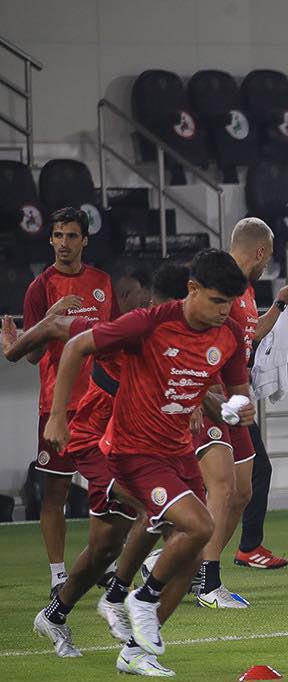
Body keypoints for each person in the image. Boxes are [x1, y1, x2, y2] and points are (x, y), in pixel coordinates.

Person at [43, 249, 255, 669]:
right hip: (132, 451)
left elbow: (236, 392)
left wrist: (238, 407)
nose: (223, 311)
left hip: (178, 451)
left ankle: (135, 650)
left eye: (229, 303)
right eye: (216, 301)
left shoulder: (228, 333)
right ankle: (137, 595)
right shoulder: (149, 323)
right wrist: (56, 416)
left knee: (190, 553)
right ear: (192, 289)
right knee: (199, 525)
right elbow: (73, 345)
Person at [8, 264, 187, 673]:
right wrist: (12, 349)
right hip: (93, 441)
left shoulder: (179, 339)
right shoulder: (130, 329)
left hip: (130, 444)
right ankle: (121, 602)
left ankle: (54, 615)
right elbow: (57, 330)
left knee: (105, 544)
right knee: (161, 512)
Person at [21, 206, 115, 593]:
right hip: (56, 408)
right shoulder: (40, 288)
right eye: (58, 235)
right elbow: (29, 354)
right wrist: (51, 317)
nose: (63, 243)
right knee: (54, 493)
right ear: (50, 239)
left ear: (85, 240)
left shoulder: (102, 283)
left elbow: (116, 336)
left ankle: (103, 562)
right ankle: (59, 573)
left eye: (71, 235)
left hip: (99, 404)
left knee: (111, 488)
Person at [228, 218, 288, 573]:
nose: (268, 263)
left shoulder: (246, 289)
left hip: (234, 399)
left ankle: (245, 548)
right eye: (268, 257)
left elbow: (251, 335)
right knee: (223, 483)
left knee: (253, 474)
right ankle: (174, 556)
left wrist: (280, 305)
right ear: (258, 252)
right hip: (214, 400)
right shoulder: (221, 282)